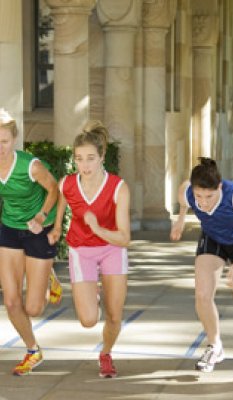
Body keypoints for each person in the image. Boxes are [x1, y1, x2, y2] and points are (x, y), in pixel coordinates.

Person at [48, 120, 130, 378]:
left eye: (91, 158)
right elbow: (62, 198)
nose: (84, 165)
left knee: (114, 316)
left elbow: (124, 238)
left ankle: (105, 353)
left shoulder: (118, 187)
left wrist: (97, 229)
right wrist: (57, 226)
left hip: (111, 249)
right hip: (81, 251)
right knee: (88, 320)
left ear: (102, 157)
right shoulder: (68, 183)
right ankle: (92, 289)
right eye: (79, 159)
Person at [170, 157, 233, 373]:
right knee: (202, 295)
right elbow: (184, 198)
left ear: (219, 187)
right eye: (199, 196)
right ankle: (215, 346)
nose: (203, 202)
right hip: (213, 238)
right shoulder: (187, 191)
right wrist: (181, 220)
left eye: (209, 196)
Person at [0, 109, 62, 376]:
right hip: (10, 230)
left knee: (34, 308)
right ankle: (32, 350)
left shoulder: (30, 166)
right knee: (12, 301)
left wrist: (41, 216)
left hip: (38, 229)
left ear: (13, 140)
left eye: (3, 141)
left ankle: (48, 275)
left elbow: (54, 189)